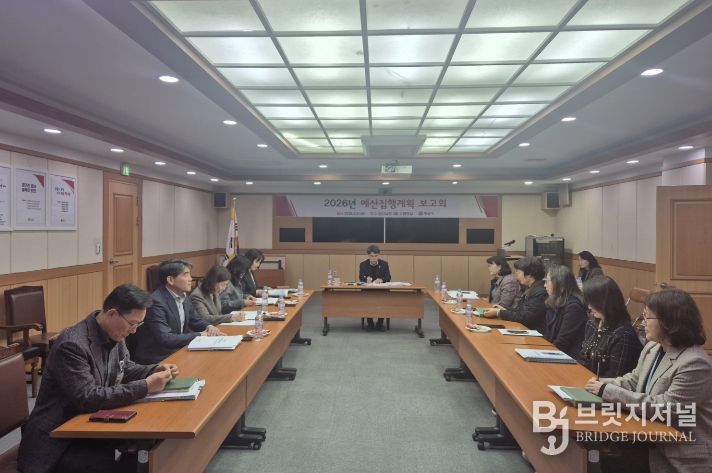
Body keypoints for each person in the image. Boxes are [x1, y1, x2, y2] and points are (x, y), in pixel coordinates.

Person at [18, 284, 178, 473]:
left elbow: (124, 367)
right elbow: (87, 397)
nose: (134, 330)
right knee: (109, 462)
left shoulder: (114, 333)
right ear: (112, 314)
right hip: (59, 439)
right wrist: (145, 386)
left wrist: (153, 370)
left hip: (91, 424)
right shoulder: (73, 345)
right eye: (132, 324)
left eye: (138, 324)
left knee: (150, 439)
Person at [585, 289, 712, 473]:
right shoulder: (653, 347)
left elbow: (665, 409)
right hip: (647, 435)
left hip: (676, 452)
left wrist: (606, 390)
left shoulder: (694, 363)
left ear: (669, 322)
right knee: (594, 449)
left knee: (604, 456)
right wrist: (597, 383)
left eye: (647, 317)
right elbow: (634, 380)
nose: (642, 322)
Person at [132, 259, 224, 364]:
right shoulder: (156, 302)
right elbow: (166, 338)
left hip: (176, 350)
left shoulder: (184, 296)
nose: (190, 279)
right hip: (158, 358)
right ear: (171, 280)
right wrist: (200, 335)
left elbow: (195, 319)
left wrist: (209, 326)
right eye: (186, 275)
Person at [580, 276, 643, 378]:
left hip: (605, 386)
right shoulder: (592, 324)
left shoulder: (624, 335)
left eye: (593, 303)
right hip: (588, 381)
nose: (589, 307)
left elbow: (615, 377)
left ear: (605, 302)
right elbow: (584, 358)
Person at [483, 256, 547, 335]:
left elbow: (524, 317)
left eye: (518, 272)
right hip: (526, 330)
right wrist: (503, 309)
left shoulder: (540, 292)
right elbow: (521, 310)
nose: (516, 276)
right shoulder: (531, 288)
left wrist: (498, 312)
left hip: (535, 334)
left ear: (529, 275)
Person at [543, 265, 588, 358]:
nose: (544, 285)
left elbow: (563, 342)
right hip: (556, 352)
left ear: (559, 284)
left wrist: (544, 354)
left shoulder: (574, 307)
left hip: (569, 356)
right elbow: (549, 334)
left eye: (547, 281)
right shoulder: (554, 302)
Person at [358, 244, 391, 331]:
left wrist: (382, 280)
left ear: (378, 255)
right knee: (367, 301)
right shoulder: (363, 264)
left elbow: (388, 277)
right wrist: (366, 279)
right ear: (368, 256)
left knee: (383, 300)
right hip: (368, 291)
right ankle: (370, 324)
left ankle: (380, 324)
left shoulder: (384, 264)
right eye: (372, 256)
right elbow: (361, 277)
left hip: (381, 291)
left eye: (376, 256)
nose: (374, 258)